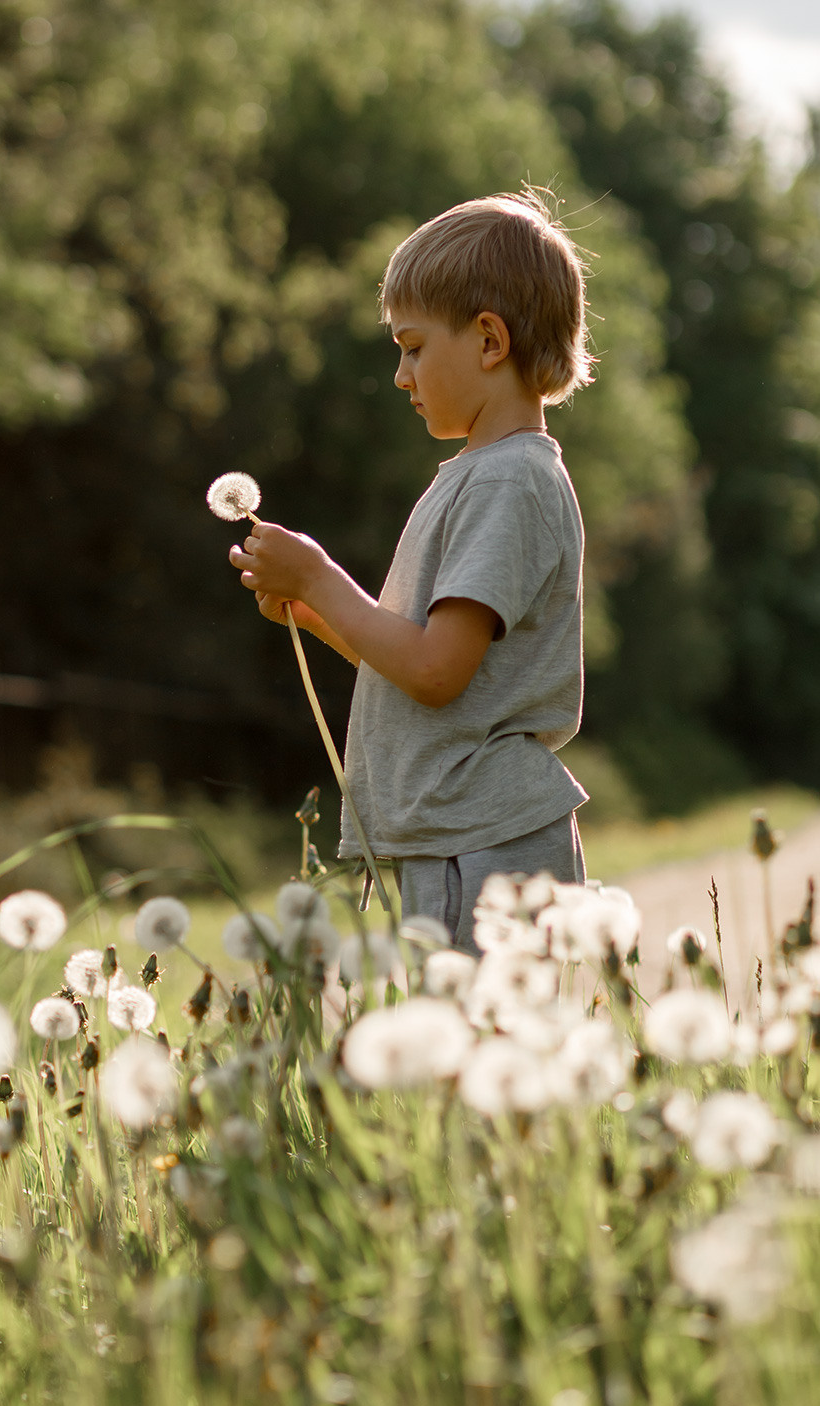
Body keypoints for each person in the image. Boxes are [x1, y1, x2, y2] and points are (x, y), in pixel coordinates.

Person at [229, 189, 593, 951]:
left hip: (484, 845)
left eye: (413, 347)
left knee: (481, 1031)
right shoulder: (484, 475)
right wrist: (316, 615)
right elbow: (428, 662)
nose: (400, 374)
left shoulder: (506, 481)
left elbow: (434, 672)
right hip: (464, 835)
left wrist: (321, 577)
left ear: (488, 341)